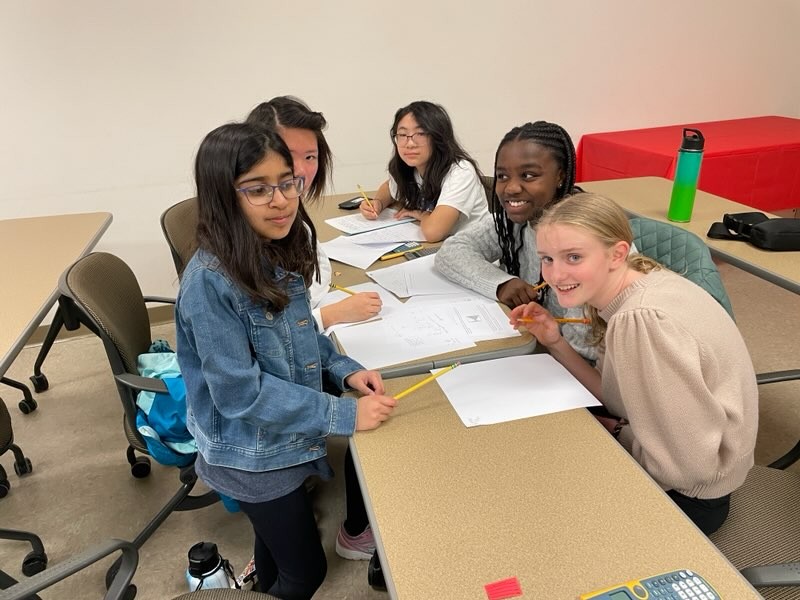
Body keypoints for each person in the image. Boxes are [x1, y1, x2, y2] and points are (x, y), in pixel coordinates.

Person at [175, 122, 397, 599]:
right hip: (252, 455)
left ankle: (261, 582)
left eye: (287, 183)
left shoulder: (271, 248)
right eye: (258, 189)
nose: (281, 201)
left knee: (275, 550)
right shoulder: (210, 282)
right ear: (223, 196)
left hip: (282, 438)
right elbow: (242, 395)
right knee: (306, 572)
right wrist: (344, 415)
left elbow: (300, 336)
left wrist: (344, 371)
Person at [510, 192, 758, 535]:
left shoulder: (640, 320)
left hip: (690, 500)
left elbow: (688, 469)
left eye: (574, 257)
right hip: (692, 475)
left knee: (534, 491)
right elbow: (617, 396)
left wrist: (616, 433)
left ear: (617, 254)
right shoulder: (643, 282)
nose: (556, 273)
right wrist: (555, 341)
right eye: (547, 259)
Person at [435, 121, 593, 359]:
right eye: (502, 176)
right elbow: (452, 252)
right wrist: (501, 284)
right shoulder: (515, 220)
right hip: (533, 343)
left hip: (571, 363)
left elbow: (584, 347)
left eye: (528, 175)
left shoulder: (583, 240)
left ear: (560, 176)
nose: (511, 188)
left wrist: (543, 335)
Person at [247, 96, 382, 332]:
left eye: (310, 157)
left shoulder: (295, 217)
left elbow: (318, 272)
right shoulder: (256, 227)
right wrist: (329, 315)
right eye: (288, 156)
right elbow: (262, 335)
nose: (300, 170)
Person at [359, 100, 487, 242]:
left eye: (420, 133)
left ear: (438, 137)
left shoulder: (460, 172)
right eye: (402, 134)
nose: (409, 144)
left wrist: (422, 215)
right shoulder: (411, 167)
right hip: (441, 246)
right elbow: (389, 187)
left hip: (474, 247)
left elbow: (433, 233)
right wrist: (378, 203)